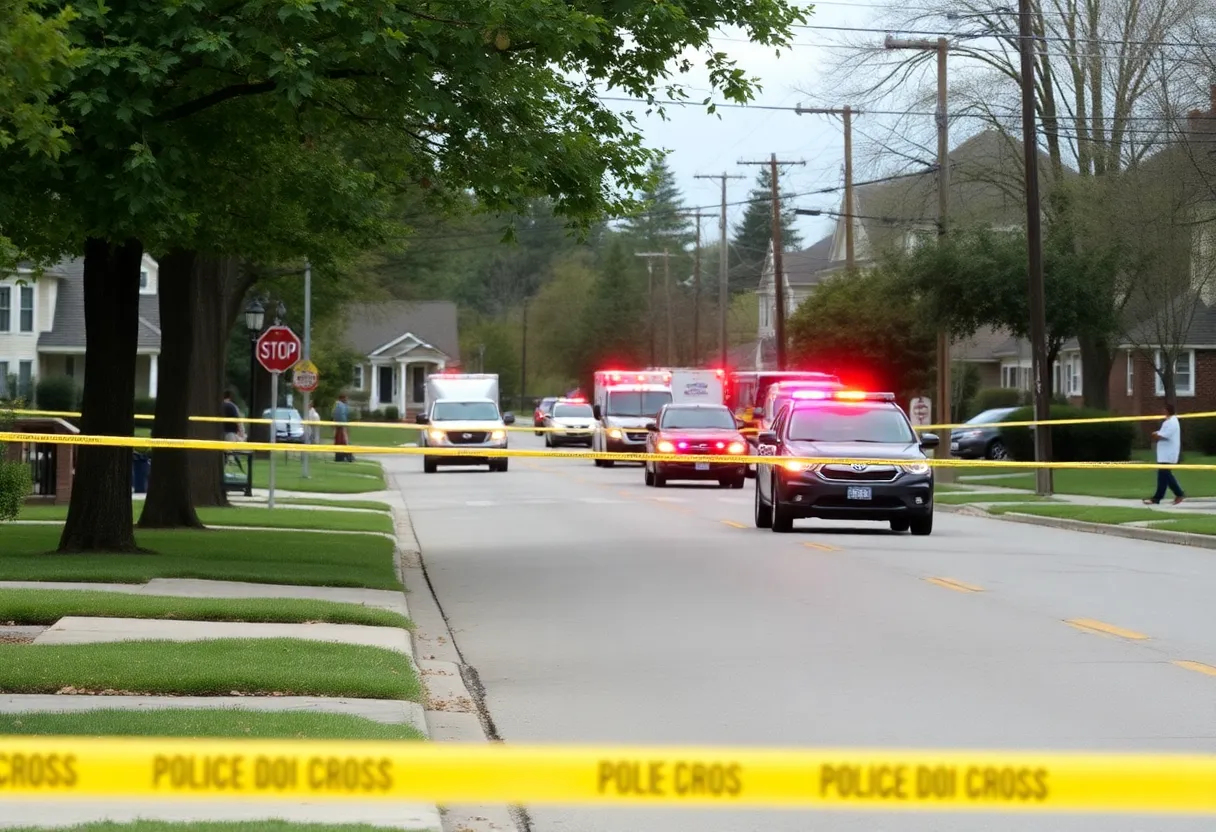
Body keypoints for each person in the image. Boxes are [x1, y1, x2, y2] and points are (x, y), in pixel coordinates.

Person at [1145, 403, 1184, 505]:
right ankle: (1171, 495)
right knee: (1164, 476)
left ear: (1167, 411)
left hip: (1168, 454)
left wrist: (1155, 435)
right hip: (1165, 454)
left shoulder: (1171, 422)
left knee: (1164, 475)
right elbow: (1163, 432)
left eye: (1164, 410)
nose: (1162, 412)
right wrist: (1157, 433)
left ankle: (1162, 497)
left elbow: (1164, 435)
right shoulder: (1169, 422)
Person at [222, 390, 245, 472]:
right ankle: (231, 471)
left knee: (226, 453)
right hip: (230, 433)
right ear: (230, 397)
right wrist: (241, 432)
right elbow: (237, 420)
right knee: (231, 453)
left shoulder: (219, 405)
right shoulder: (232, 406)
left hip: (222, 432)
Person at [333, 394, 353, 462]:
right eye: (345, 398)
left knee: (340, 440)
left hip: (340, 425)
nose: (346, 400)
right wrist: (345, 425)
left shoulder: (338, 405)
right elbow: (341, 416)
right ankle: (345, 456)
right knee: (343, 440)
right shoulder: (340, 406)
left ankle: (341, 456)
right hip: (341, 426)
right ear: (342, 398)